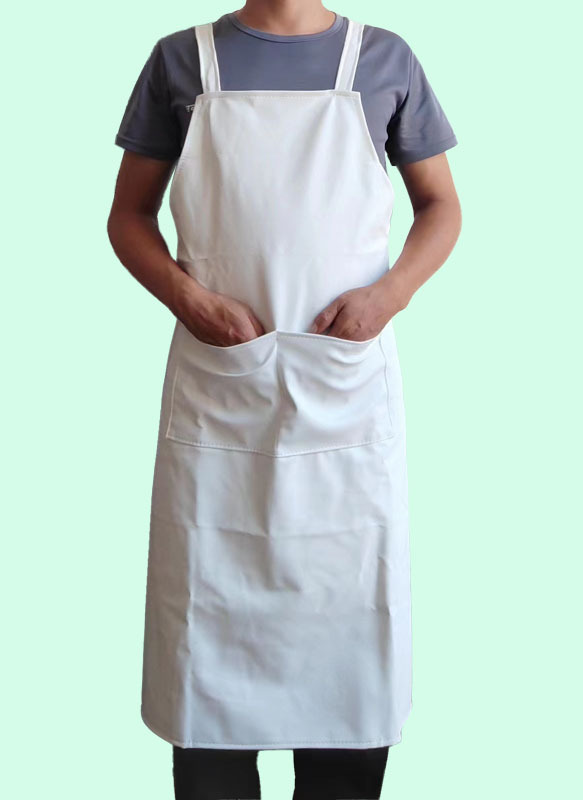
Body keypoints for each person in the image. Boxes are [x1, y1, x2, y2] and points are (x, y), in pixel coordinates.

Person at [107, 2, 461, 797]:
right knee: (209, 667)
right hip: (221, 389)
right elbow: (128, 217)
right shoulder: (181, 60)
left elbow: (441, 206)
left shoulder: (385, 59)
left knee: (349, 646)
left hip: (345, 391)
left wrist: (390, 295)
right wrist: (188, 300)